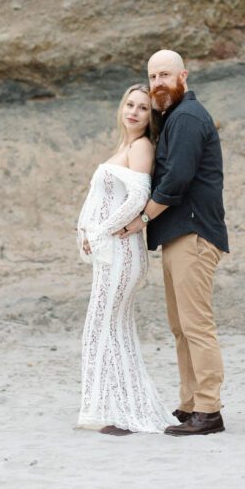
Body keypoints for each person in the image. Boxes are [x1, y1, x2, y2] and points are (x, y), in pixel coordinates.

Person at [116, 50, 228, 436]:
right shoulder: (172, 119)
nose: (158, 83)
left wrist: (141, 219)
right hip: (177, 237)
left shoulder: (187, 119)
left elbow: (176, 180)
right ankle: (190, 404)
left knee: (196, 325)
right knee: (180, 327)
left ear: (183, 76)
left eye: (165, 74)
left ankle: (209, 411)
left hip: (193, 235)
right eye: (152, 76)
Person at [76, 84, 171, 435]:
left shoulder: (142, 146)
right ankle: (112, 407)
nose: (133, 111)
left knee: (103, 327)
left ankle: (116, 412)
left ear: (151, 116)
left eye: (143, 108)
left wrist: (100, 230)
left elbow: (138, 198)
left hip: (121, 253)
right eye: (129, 105)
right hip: (111, 253)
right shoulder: (125, 146)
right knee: (111, 328)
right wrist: (86, 229)